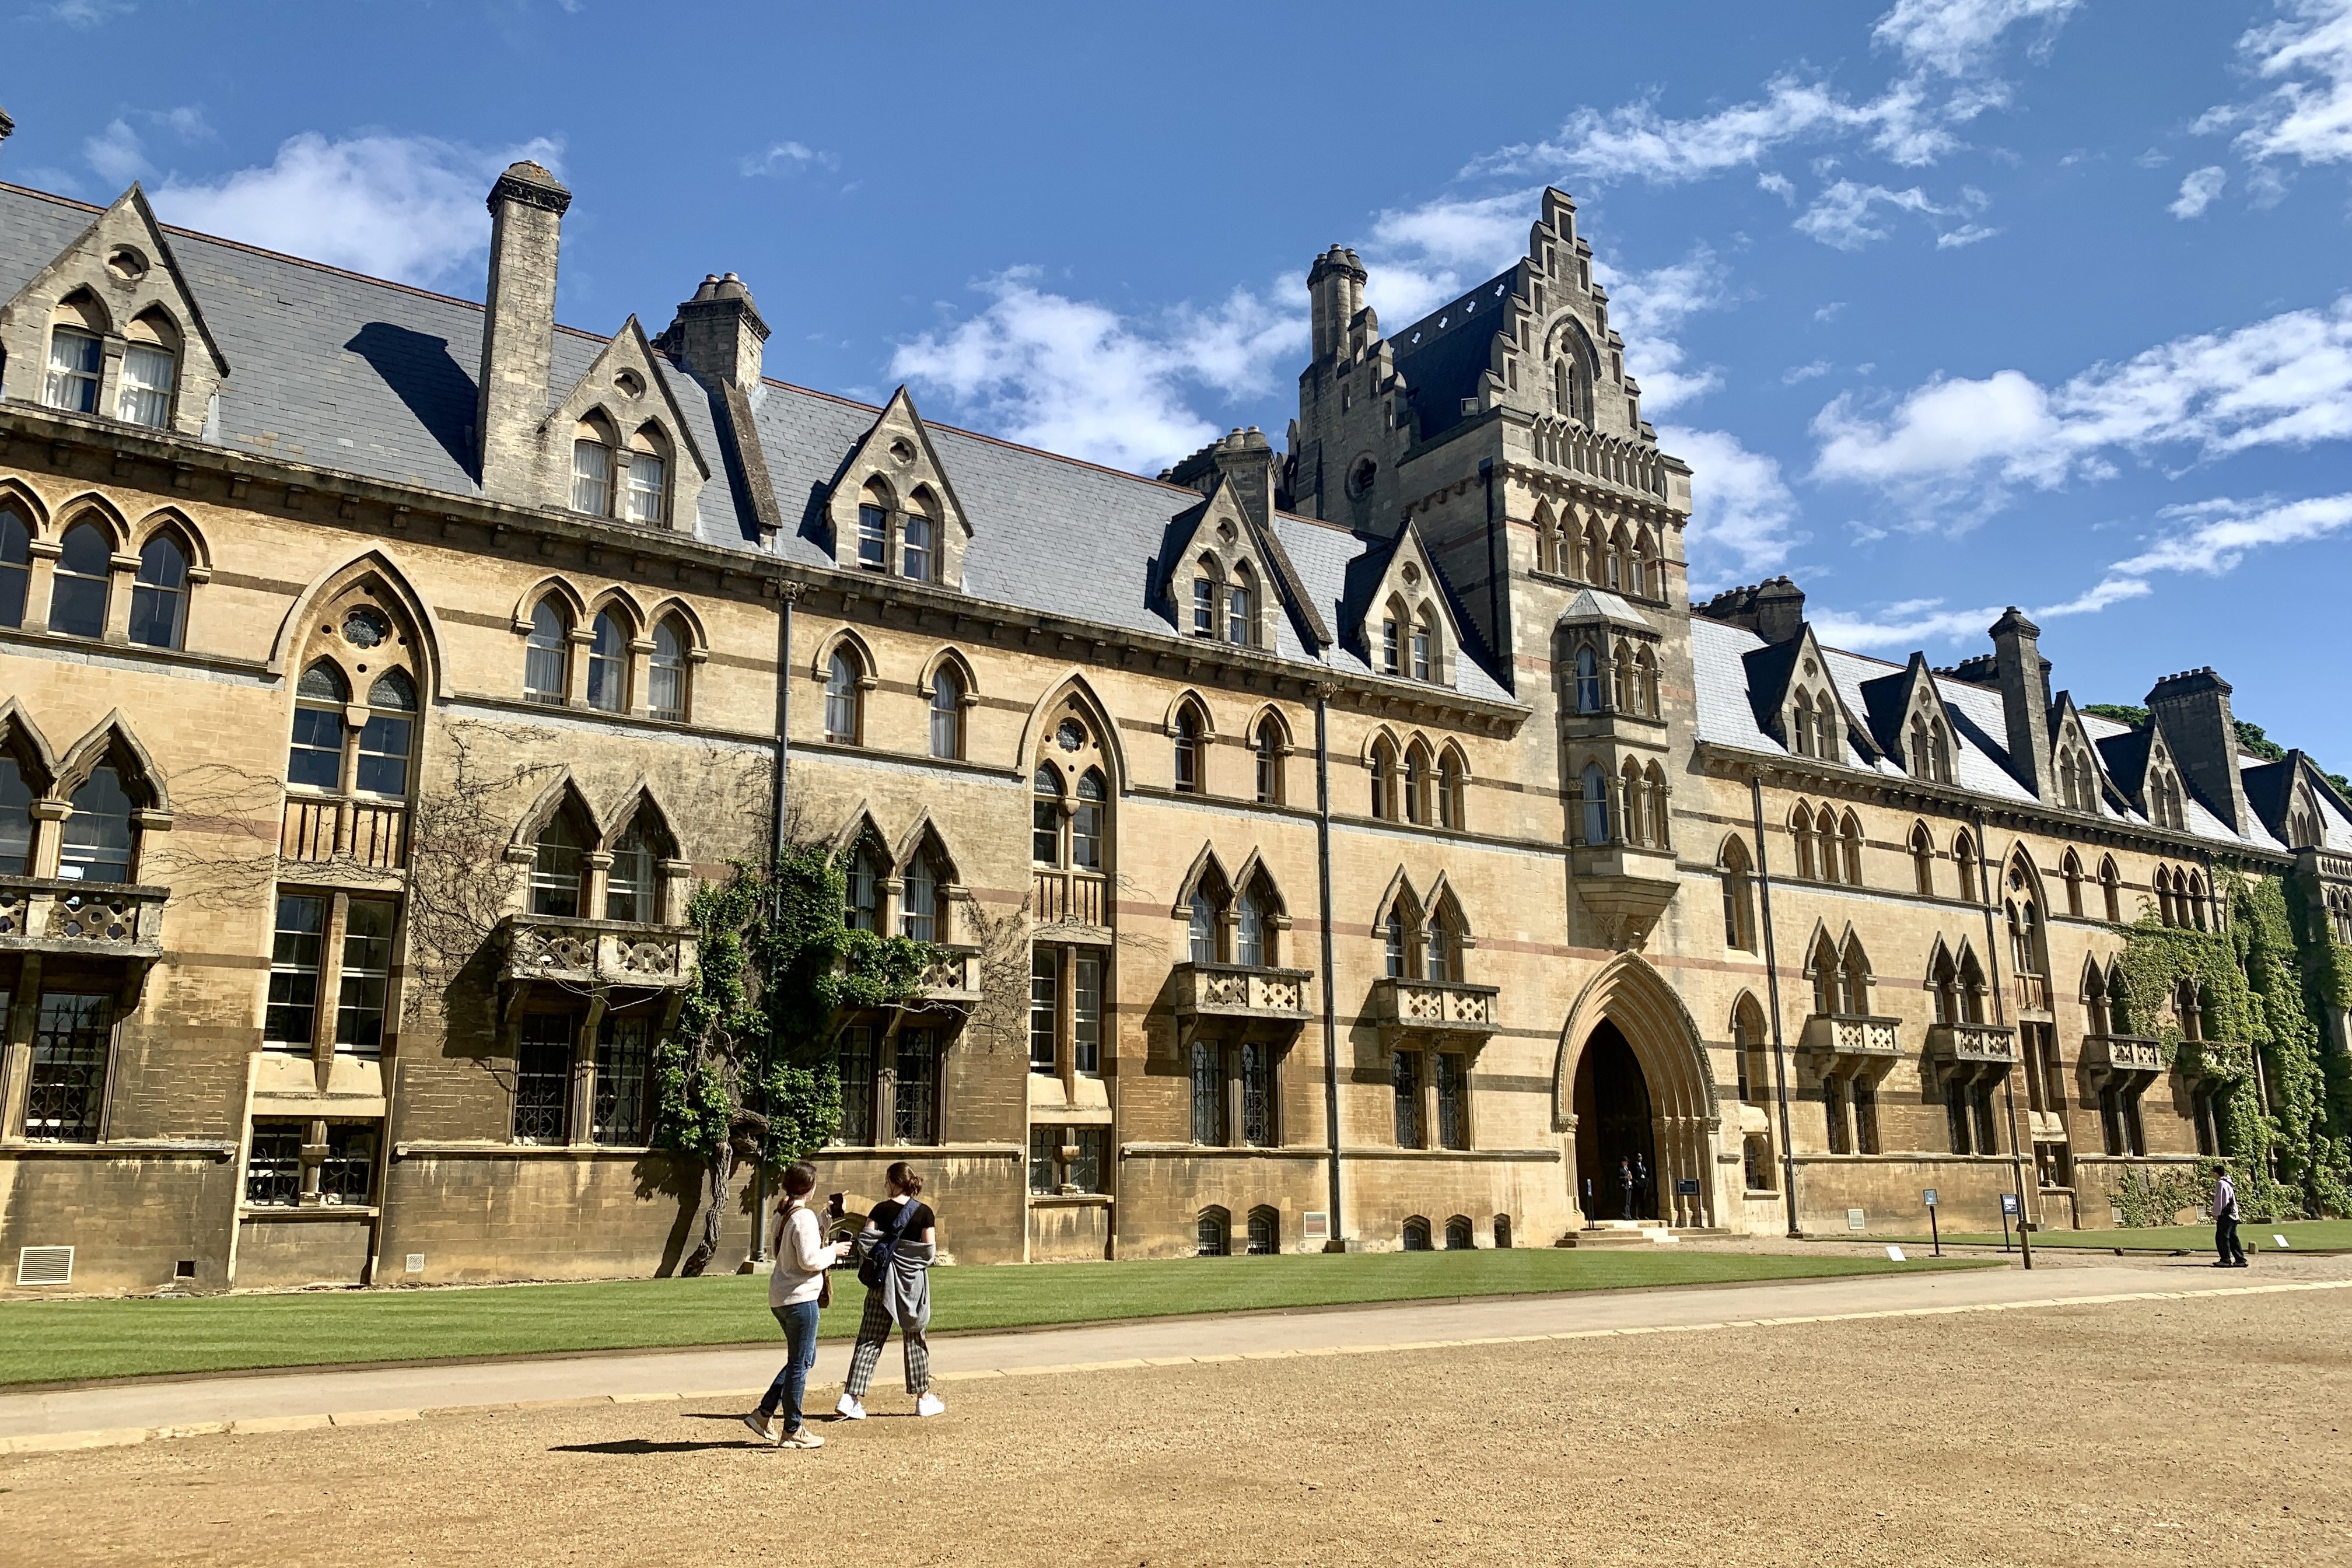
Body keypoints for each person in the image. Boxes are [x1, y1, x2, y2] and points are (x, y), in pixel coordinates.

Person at [743, 1161, 851, 1448]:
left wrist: (828, 1216)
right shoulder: (801, 1218)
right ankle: (793, 1429)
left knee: (803, 1359)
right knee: (800, 1365)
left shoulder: (784, 1213)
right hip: (800, 1298)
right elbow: (809, 1259)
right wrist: (835, 1252)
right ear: (811, 1188)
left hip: (781, 1296)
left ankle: (763, 1414)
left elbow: (802, 1243)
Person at [836, 1160, 945, 1420]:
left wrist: (890, 1258)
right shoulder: (925, 1213)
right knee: (915, 1338)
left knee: (869, 1339)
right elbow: (928, 1253)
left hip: (881, 1284)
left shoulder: (879, 1210)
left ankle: (850, 1397)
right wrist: (906, 1259)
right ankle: (923, 1399)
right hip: (911, 1287)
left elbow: (866, 1244)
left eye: (886, 1181)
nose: (884, 1185)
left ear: (895, 1182)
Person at [2213, 1168, 2248, 1268]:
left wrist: (2217, 1213)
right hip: (2233, 1214)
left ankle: (2226, 1260)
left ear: (2216, 1173)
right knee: (2233, 1237)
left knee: (2222, 1237)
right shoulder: (2227, 1183)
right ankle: (2240, 1259)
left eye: (2212, 1172)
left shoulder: (2221, 1183)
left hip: (2226, 1215)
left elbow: (2221, 1200)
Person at [1618, 1156, 1634, 1221]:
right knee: (1625, 1201)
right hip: (1624, 1186)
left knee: (1629, 1202)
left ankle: (1629, 1214)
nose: (1627, 1163)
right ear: (1622, 1162)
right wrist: (1625, 1177)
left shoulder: (1627, 1169)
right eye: (1626, 1161)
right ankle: (1625, 1215)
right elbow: (1619, 1178)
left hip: (1629, 1186)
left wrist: (1630, 1177)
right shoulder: (1621, 1169)